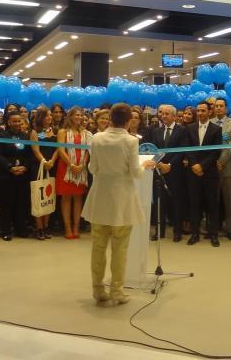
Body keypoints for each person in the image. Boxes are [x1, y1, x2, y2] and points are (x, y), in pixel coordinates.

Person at [82, 103, 156, 306]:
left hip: (99, 197)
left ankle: (98, 290)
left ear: (111, 118)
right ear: (127, 120)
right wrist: (145, 164)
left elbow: (92, 167)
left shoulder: (96, 138)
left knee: (98, 246)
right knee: (120, 248)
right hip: (122, 199)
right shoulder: (131, 141)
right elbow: (135, 173)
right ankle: (117, 290)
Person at [184, 102, 223, 247]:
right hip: (193, 172)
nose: (200, 113)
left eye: (203, 110)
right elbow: (187, 147)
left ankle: (213, 234)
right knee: (194, 203)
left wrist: (202, 165)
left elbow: (216, 151)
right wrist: (194, 164)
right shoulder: (189, 128)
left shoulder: (216, 129)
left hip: (210, 172)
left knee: (212, 204)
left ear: (209, 112)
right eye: (198, 111)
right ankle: (195, 233)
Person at [149, 104, 187, 242]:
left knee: (177, 202)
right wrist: (159, 164)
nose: (163, 116)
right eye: (162, 114)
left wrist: (170, 165)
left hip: (176, 172)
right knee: (160, 203)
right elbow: (154, 149)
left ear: (174, 116)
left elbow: (182, 150)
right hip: (159, 171)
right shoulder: (156, 131)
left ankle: (178, 231)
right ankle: (160, 231)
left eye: (167, 114)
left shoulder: (182, 130)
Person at [0, 112, 32, 240]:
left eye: (19, 121)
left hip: (22, 175)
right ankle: (6, 230)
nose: (17, 124)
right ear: (8, 122)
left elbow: (30, 155)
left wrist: (24, 167)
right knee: (6, 204)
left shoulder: (26, 136)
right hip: (6, 175)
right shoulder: (1, 135)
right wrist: (10, 167)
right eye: (14, 121)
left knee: (21, 203)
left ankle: (21, 228)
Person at [56, 107, 91, 239]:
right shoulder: (62, 131)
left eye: (81, 115)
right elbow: (61, 150)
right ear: (70, 116)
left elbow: (88, 151)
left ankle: (76, 227)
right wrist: (71, 165)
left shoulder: (86, 132)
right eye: (76, 115)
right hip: (66, 167)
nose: (79, 117)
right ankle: (68, 228)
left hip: (81, 167)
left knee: (78, 197)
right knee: (66, 198)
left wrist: (82, 165)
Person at [212, 98, 231, 241]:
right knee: (213, 200)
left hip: (228, 167)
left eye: (221, 106)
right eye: (216, 106)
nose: (218, 108)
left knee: (229, 200)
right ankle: (214, 227)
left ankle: (230, 228)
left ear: (226, 108)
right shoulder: (210, 123)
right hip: (211, 167)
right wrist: (213, 161)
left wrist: (221, 161)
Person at [30, 106, 58, 240]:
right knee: (39, 197)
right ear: (41, 117)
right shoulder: (35, 132)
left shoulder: (54, 131)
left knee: (48, 198)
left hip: (52, 166)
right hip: (39, 167)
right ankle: (38, 227)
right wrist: (44, 161)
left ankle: (46, 226)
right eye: (47, 115)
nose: (50, 117)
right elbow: (36, 150)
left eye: (51, 115)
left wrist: (52, 161)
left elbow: (58, 148)